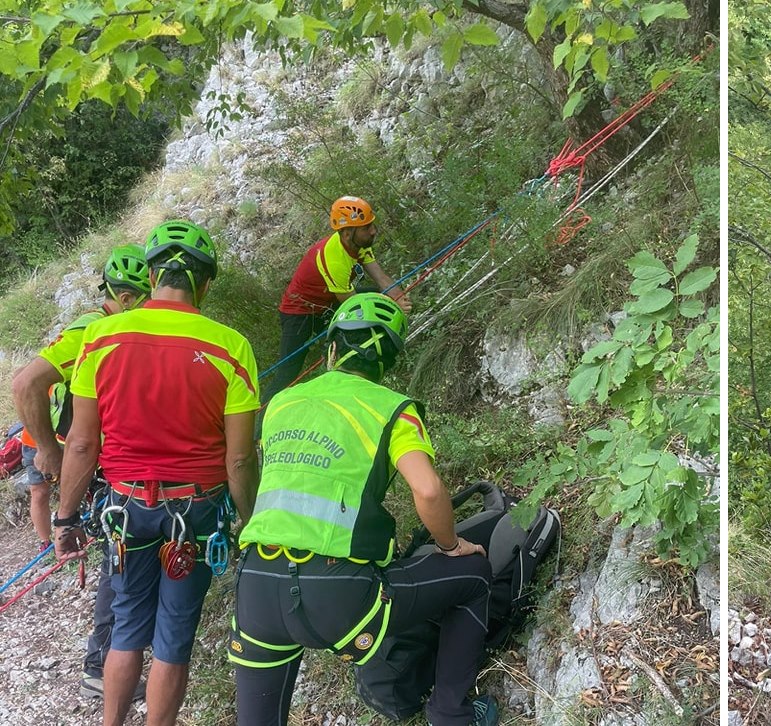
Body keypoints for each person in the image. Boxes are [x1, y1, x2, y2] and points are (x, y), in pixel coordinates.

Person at [229, 293, 497, 726]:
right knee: (475, 577)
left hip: (257, 583)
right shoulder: (394, 409)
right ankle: (452, 714)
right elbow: (427, 490)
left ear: (332, 348)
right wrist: (451, 546)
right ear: (387, 364)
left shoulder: (282, 403)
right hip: (339, 594)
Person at [52, 220, 260, 726]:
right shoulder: (231, 347)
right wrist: (249, 521)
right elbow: (239, 459)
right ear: (205, 284)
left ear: (150, 276)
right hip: (196, 511)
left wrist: (65, 518)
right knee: (173, 637)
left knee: (126, 629)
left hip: (125, 509)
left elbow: (81, 443)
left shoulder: (99, 338)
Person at [11, 244, 152, 699]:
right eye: (135, 297)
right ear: (121, 296)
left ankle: (108, 656)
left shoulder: (115, 329)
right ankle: (102, 662)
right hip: (94, 464)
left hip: (109, 462)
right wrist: (49, 451)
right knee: (119, 560)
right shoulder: (90, 329)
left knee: (119, 556)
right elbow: (27, 382)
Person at [258, 196, 413, 421]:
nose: (373, 231)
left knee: (379, 299)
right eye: (367, 227)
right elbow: (353, 307)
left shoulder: (359, 245)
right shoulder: (334, 258)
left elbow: (380, 278)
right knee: (289, 372)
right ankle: (260, 427)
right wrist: (387, 308)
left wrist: (398, 299)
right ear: (348, 232)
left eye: (372, 224)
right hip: (299, 313)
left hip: (326, 303)